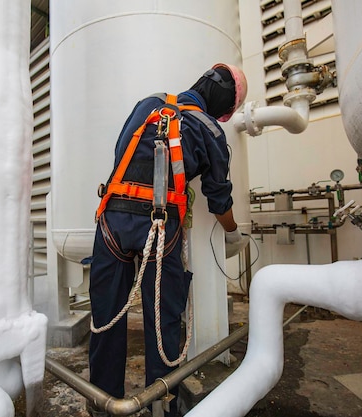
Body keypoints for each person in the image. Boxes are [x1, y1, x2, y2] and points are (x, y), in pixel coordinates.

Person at [87, 63, 249, 417]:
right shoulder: (211, 131)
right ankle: (161, 406)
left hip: (112, 218)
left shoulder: (148, 104)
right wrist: (234, 231)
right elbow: (218, 198)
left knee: (106, 316)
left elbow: (121, 151)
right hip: (159, 229)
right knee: (164, 320)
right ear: (223, 112)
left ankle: (102, 402)